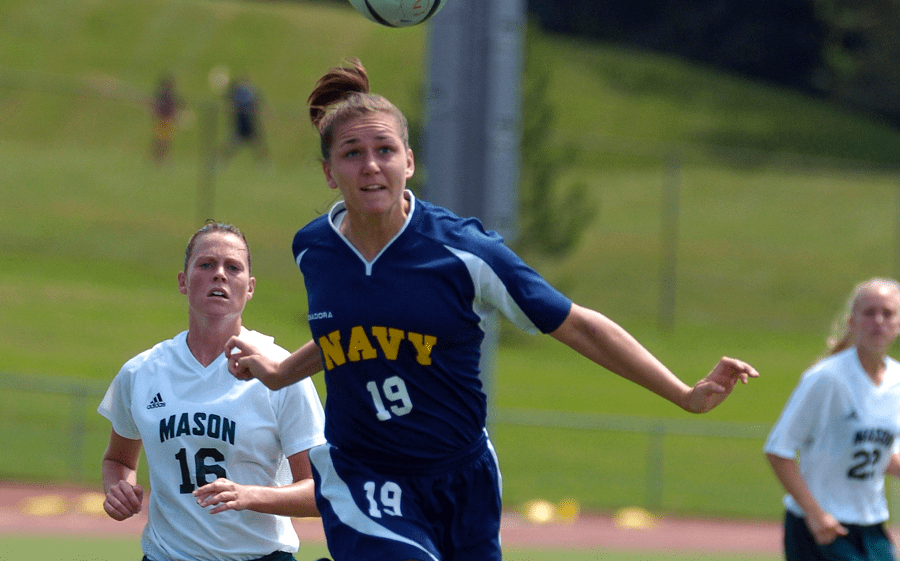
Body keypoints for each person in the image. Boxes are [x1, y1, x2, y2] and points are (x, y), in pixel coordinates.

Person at [225, 58, 759, 561]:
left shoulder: (463, 253)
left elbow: (576, 325)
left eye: (385, 150)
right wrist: (279, 373)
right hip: (363, 472)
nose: (370, 166)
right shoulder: (314, 249)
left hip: (463, 476)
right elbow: (347, 334)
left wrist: (683, 394)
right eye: (351, 153)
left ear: (409, 162)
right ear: (327, 171)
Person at [98, 221, 326, 561]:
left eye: (232, 267)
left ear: (249, 288)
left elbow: (321, 493)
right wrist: (119, 488)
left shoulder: (281, 371)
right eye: (206, 264)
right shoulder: (142, 372)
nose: (219, 275)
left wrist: (249, 495)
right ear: (182, 281)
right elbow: (118, 460)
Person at [765, 278, 900, 561]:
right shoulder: (826, 378)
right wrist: (815, 515)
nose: (878, 320)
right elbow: (779, 450)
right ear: (852, 322)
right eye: (869, 312)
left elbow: (882, 454)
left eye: (888, 313)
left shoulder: (897, 381)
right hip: (821, 527)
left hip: (871, 524)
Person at [222, 75, 270, 166]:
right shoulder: (243, 92)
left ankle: (264, 163)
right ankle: (264, 163)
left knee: (256, 144)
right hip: (242, 123)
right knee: (233, 145)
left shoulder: (241, 91)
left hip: (247, 123)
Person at [150, 75, 181, 164]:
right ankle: (160, 158)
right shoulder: (168, 94)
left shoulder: (163, 94)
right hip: (164, 119)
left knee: (162, 140)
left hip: (165, 119)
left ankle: (160, 159)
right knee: (162, 141)